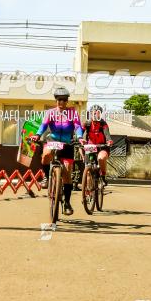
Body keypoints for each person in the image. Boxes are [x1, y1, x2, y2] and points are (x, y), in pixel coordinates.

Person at [31, 86, 84, 216]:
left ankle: (66, 203)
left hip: (67, 143)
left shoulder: (73, 113)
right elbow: (43, 125)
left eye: (64, 100)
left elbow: (77, 126)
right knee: (46, 155)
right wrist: (38, 135)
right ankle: (46, 177)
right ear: (56, 100)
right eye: (59, 100)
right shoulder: (50, 112)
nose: (62, 102)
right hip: (53, 140)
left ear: (67, 101)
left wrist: (81, 137)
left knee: (67, 172)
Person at [81, 104, 113, 185]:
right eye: (93, 113)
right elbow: (80, 133)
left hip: (102, 147)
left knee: (101, 158)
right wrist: (80, 139)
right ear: (90, 114)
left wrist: (109, 141)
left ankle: (103, 177)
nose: (95, 114)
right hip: (90, 147)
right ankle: (88, 192)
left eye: (98, 113)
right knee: (88, 171)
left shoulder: (103, 124)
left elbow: (107, 134)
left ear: (100, 114)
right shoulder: (87, 124)